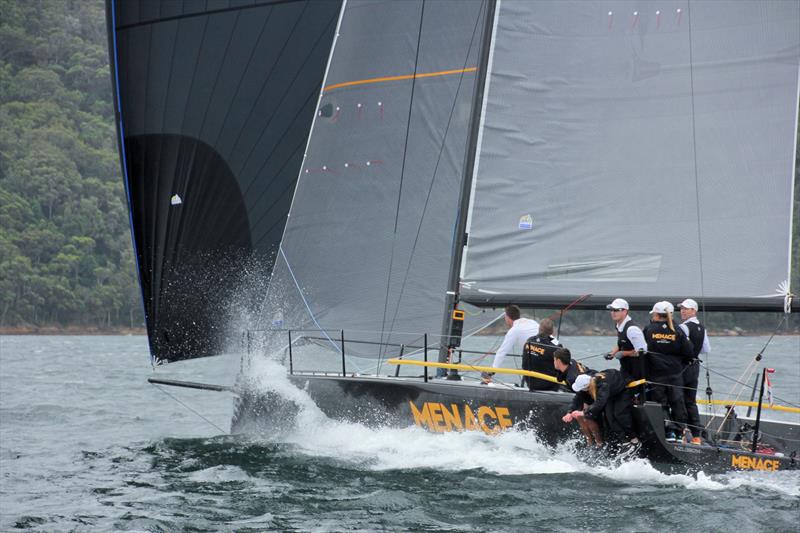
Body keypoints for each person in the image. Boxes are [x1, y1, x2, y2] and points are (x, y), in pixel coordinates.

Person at [643, 301, 693, 442]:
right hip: (675, 373)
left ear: (657, 315)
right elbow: (689, 351)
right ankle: (681, 431)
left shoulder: (649, 329)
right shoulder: (677, 330)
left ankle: (668, 432)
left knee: (661, 403)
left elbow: (642, 350)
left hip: (656, 374)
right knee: (677, 402)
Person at [561, 369, 637, 447]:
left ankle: (633, 438)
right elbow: (577, 398)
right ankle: (624, 441)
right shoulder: (589, 382)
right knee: (609, 416)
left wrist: (584, 413)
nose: (582, 391)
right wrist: (569, 412)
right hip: (610, 393)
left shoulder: (602, 385)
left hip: (622, 389)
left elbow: (599, 403)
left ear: (586, 387)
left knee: (619, 413)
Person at [677, 298, 710, 445]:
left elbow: (678, 348)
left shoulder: (683, 327)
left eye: (686, 308)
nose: (682, 311)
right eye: (681, 308)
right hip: (694, 367)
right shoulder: (702, 328)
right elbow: (705, 350)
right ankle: (696, 434)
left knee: (678, 398)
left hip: (683, 366)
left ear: (694, 311)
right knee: (691, 400)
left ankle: (682, 431)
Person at [481, 305, 539, 384]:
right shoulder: (531, 321)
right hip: (551, 352)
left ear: (507, 317)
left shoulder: (514, 330)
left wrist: (492, 372)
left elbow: (501, 352)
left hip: (536, 358)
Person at [604, 298, 647, 382]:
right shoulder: (618, 325)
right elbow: (621, 343)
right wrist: (612, 353)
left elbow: (643, 351)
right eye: (611, 310)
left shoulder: (632, 329)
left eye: (616, 310)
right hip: (625, 368)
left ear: (625, 311)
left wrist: (624, 353)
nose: (613, 312)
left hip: (636, 371)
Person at [521, 318, 562, 391]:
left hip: (530, 383)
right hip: (549, 385)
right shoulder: (555, 347)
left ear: (539, 328)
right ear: (552, 331)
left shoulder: (529, 341)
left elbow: (524, 364)